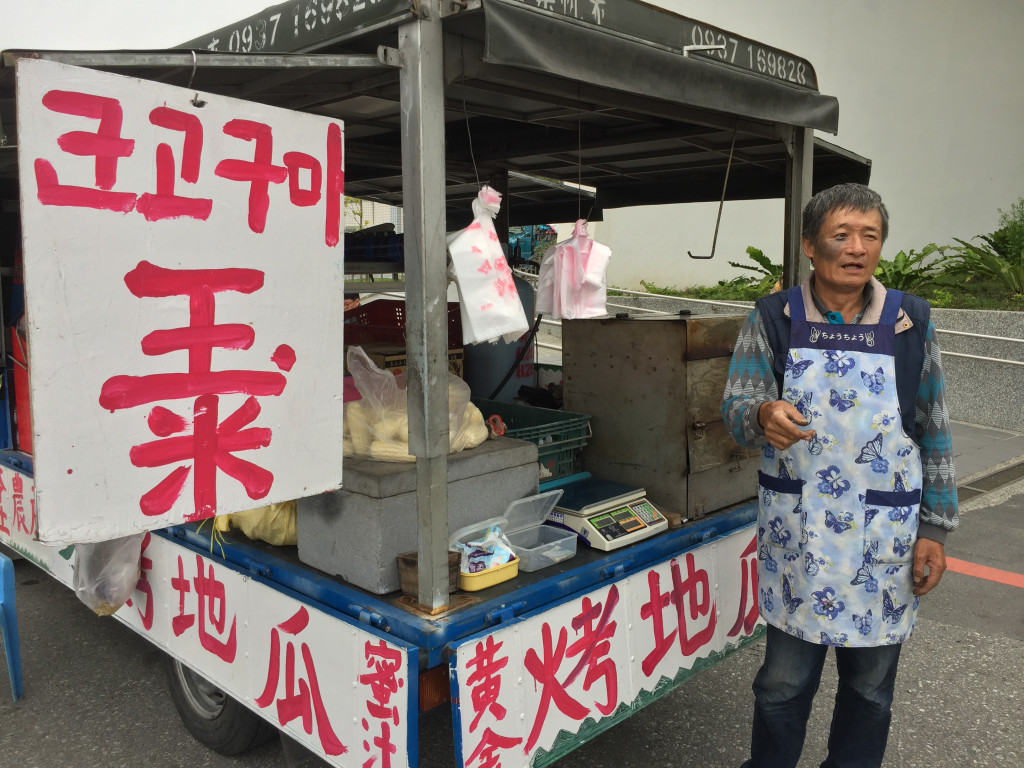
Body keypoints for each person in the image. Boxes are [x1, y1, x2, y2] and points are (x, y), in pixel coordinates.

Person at [721, 183, 958, 768]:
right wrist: (762, 413)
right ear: (809, 244)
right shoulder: (773, 317)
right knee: (781, 684)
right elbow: (736, 404)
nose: (856, 249)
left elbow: (935, 428)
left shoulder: (910, 322)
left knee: (871, 689)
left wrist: (936, 528)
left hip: (884, 539)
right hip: (799, 536)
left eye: (869, 236)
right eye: (841, 235)